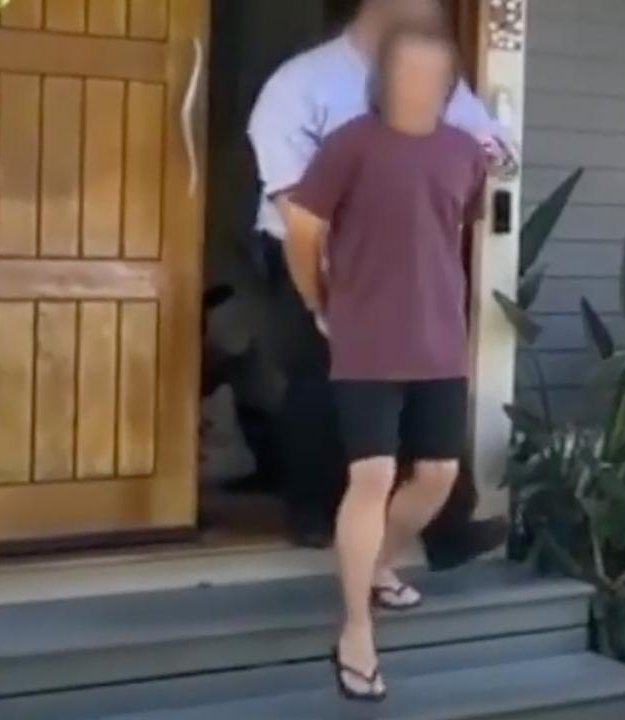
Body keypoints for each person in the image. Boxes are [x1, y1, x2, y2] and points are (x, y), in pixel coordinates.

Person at [245, 0, 514, 559]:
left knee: (425, 382)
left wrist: (490, 152)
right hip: (310, 250)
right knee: (316, 378)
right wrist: (328, 280)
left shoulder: (438, 79)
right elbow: (293, 200)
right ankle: (313, 513)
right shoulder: (299, 83)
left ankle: (445, 527)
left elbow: (485, 145)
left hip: (405, 259)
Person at [284, 19, 486, 701]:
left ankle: (379, 563)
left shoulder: (465, 153)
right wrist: (317, 298)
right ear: (382, 80)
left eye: (433, 76)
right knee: (371, 475)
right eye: (407, 73)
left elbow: (453, 232)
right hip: (367, 338)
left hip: (440, 342)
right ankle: (356, 631)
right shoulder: (349, 145)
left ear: (449, 85)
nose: (419, 86)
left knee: (437, 475)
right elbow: (302, 228)